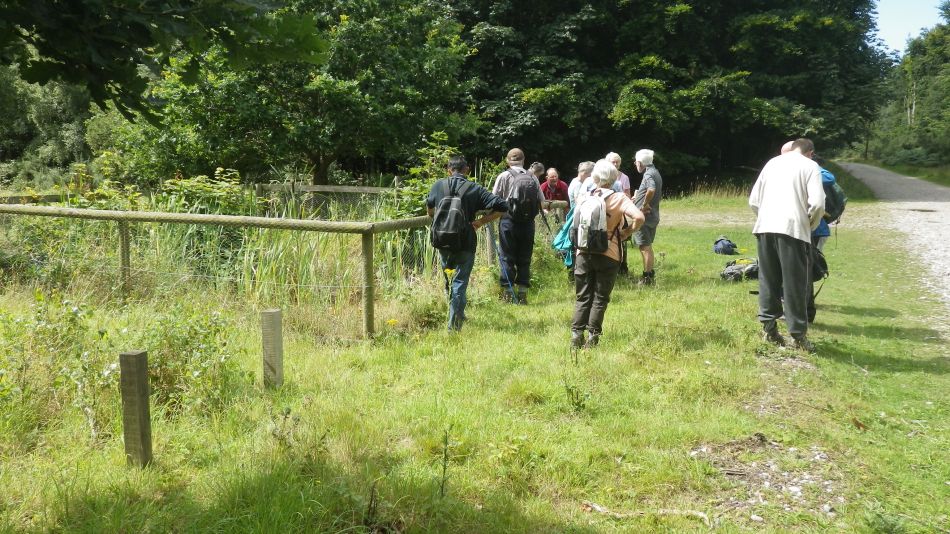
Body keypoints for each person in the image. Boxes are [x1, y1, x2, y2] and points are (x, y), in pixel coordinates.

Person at [749, 138, 825, 352]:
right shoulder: (810, 166)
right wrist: (809, 225)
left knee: (767, 279)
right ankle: (798, 336)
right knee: (795, 283)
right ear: (810, 152)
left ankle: (769, 330)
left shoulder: (772, 163)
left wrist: (765, 217)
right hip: (793, 230)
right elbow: (818, 204)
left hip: (764, 227)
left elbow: (753, 200)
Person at [426, 155, 508, 330]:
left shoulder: (438, 185)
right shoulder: (474, 188)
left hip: (442, 240)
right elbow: (502, 206)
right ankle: (454, 325)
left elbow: (430, 208)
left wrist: (439, 219)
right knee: (460, 282)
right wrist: (481, 221)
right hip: (465, 241)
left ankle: (457, 316)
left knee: (449, 280)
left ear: (449, 170)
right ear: (467, 170)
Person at [571, 159, 645, 349]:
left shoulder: (584, 196)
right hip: (609, 253)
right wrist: (627, 232)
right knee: (600, 298)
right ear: (614, 178)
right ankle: (592, 338)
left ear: (594, 177)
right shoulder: (619, 198)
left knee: (582, 296)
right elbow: (639, 217)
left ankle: (576, 335)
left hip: (583, 251)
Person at [492, 148, 546, 304]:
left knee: (507, 256)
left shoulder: (503, 176)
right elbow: (542, 201)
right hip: (528, 223)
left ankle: (508, 294)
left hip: (508, 221)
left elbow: (493, 199)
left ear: (507, 161)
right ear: (523, 160)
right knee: (524, 257)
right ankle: (522, 294)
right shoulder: (532, 177)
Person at [632, 149, 663, 286]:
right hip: (652, 215)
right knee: (647, 246)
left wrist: (644, 204)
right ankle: (649, 274)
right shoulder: (655, 171)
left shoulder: (648, 174)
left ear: (640, 163)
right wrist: (638, 197)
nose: (635, 164)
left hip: (645, 217)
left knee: (644, 247)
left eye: (636, 162)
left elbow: (651, 189)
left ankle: (647, 278)